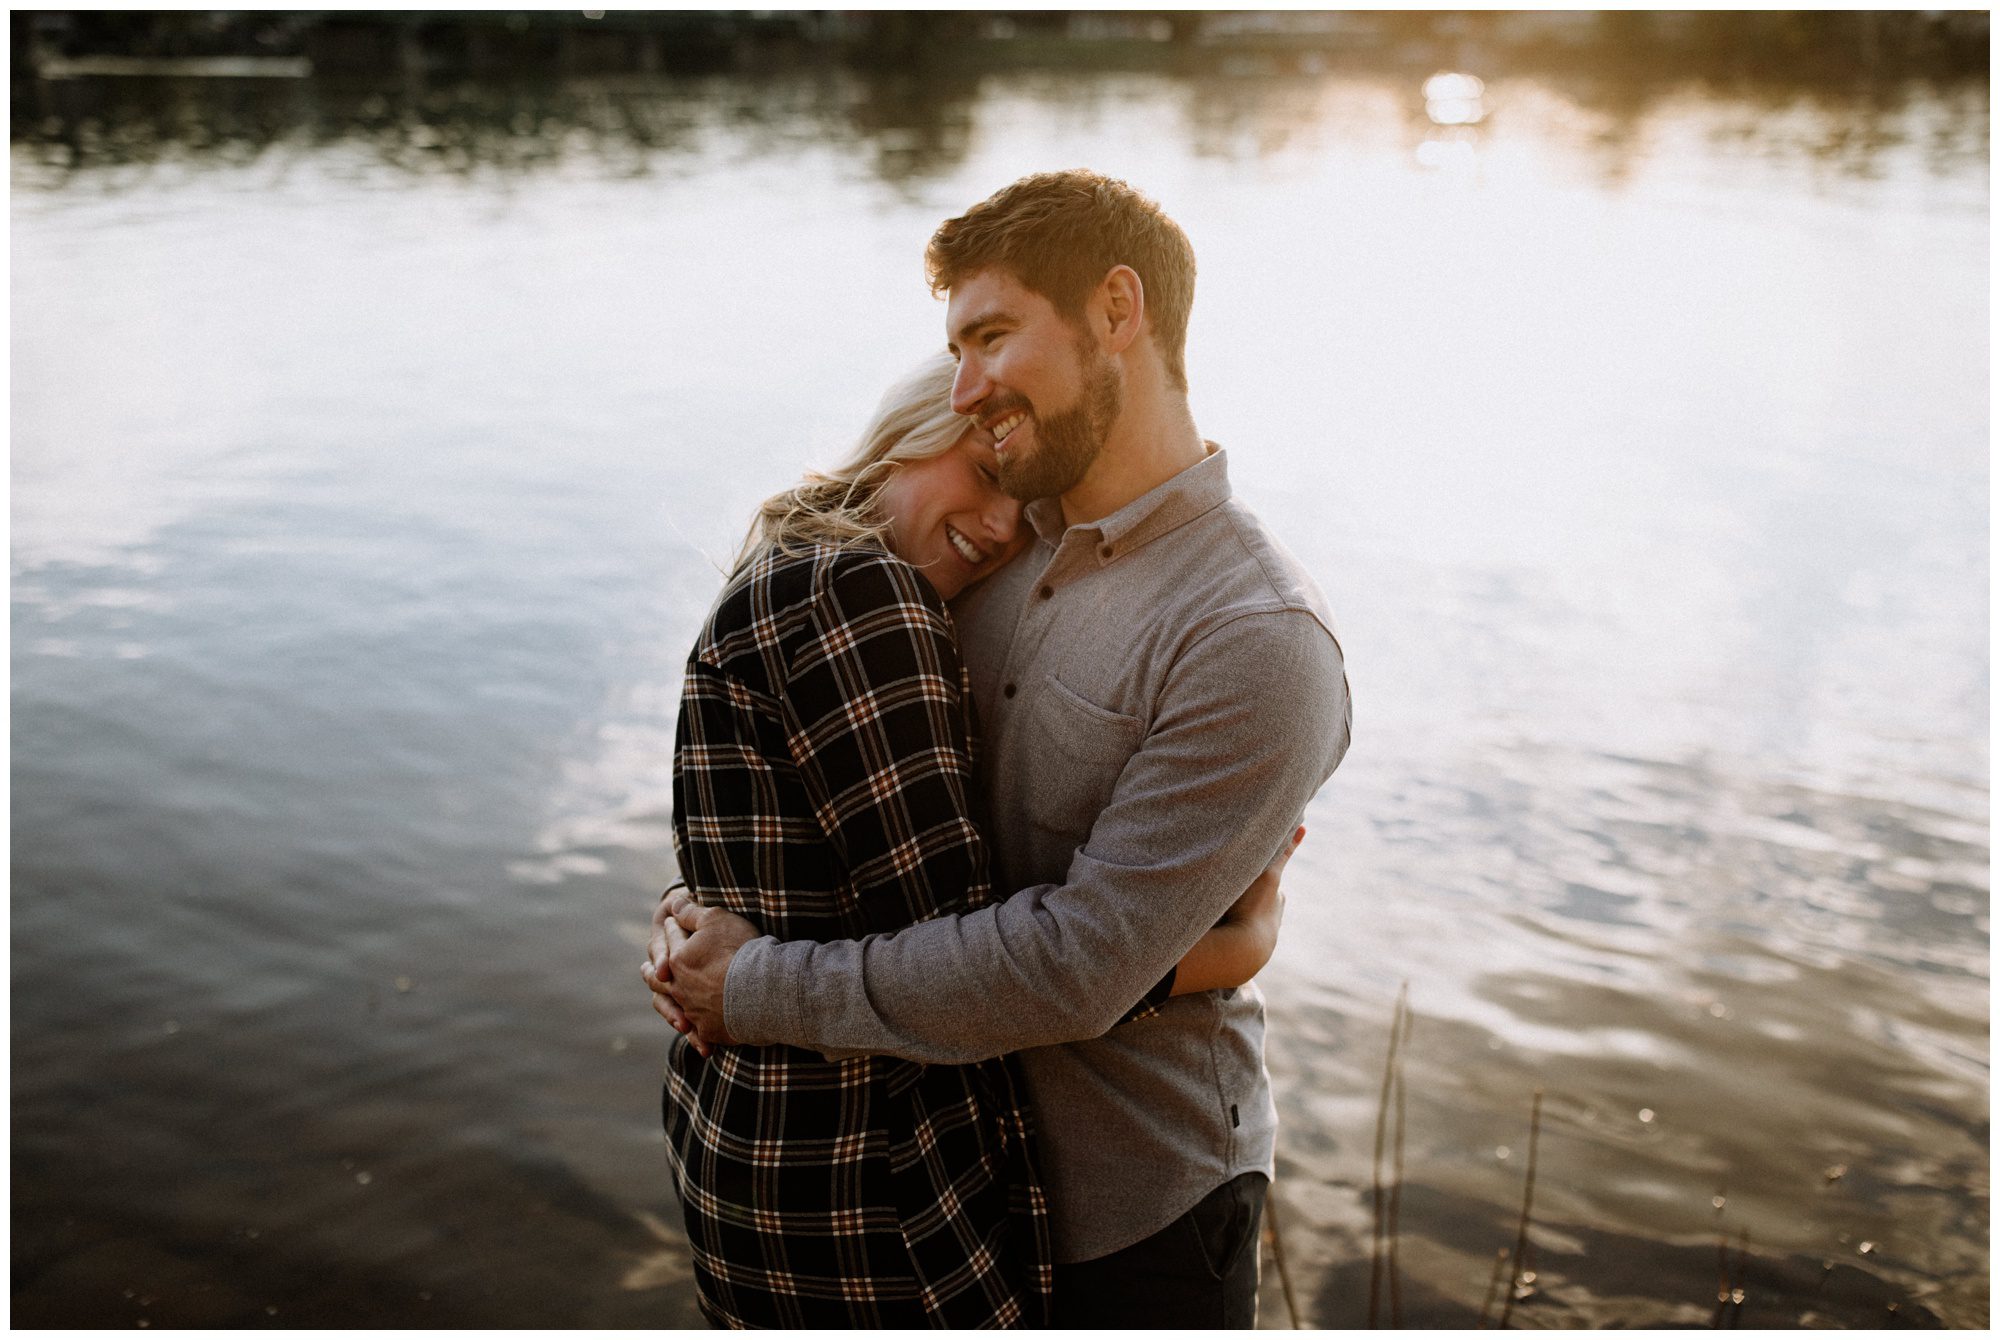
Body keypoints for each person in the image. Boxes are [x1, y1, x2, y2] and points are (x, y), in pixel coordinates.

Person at [653, 170, 1353, 1328]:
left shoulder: (1253, 637)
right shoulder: (978, 548)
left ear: (1116, 309)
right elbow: (821, 796)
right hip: (932, 1197)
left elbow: (1078, 967)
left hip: (1133, 1211)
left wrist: (756, 984)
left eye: (989, 337)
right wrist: (703, 905)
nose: (966, 387)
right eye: (955, 349)